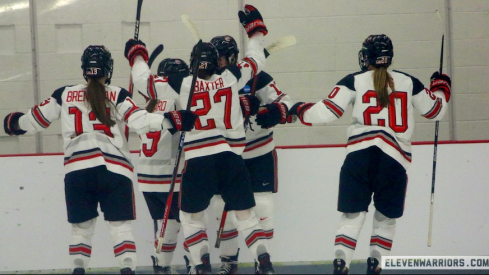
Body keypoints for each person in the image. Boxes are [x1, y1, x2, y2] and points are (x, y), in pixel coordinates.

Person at [3, 45, 197, 275]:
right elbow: (141, 121)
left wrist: (15, 123)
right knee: (120, 229)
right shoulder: (117, 93)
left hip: (77, 172)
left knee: (81, 230)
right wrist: (172, 119)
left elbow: (34, 121)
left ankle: (78, 270)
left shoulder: (64, 94)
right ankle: (127, 270)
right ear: (108, 69)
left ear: (85, 69)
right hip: (114, 171)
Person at [127, 4, 275, 274]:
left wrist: (137, 55)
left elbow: (142, 82)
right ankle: (263, 259)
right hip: (232, 160)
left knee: (190, 219)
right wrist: (256, 32)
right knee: (246, 217)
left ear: (193, 62)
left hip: (198, 161)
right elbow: (256, 59)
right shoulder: (231, 76)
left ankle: (202, 264)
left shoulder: (181, 81)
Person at [288, 34, 451, 274]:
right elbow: (436, 111)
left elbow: (325, 113)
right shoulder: (409, 82)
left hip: (359, 158)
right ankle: (375, 265)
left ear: (367, 56)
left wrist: (297, 110)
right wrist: (441, 87)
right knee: (385, 220)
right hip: (394, 162)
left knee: (352, 216)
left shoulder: (354, 80)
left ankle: (341, 262)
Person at [209, 34, 293, 274]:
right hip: (225, 154)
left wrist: (277, 111)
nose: (220, 62)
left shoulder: (258, 78)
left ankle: (261, 261)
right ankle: (229, 261)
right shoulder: (209, 82)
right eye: (217, 58)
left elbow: (285, 101)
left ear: (234, 57)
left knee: (263, 206)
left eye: (224, 58)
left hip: (259, 153)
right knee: (221, 207)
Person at [136, 58, 191, 274]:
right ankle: (195, 264)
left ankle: (161, 266)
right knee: (189, 222)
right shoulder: (177, 99)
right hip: (169, 175)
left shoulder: (150, 103)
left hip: (146, 177)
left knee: (164, 224)